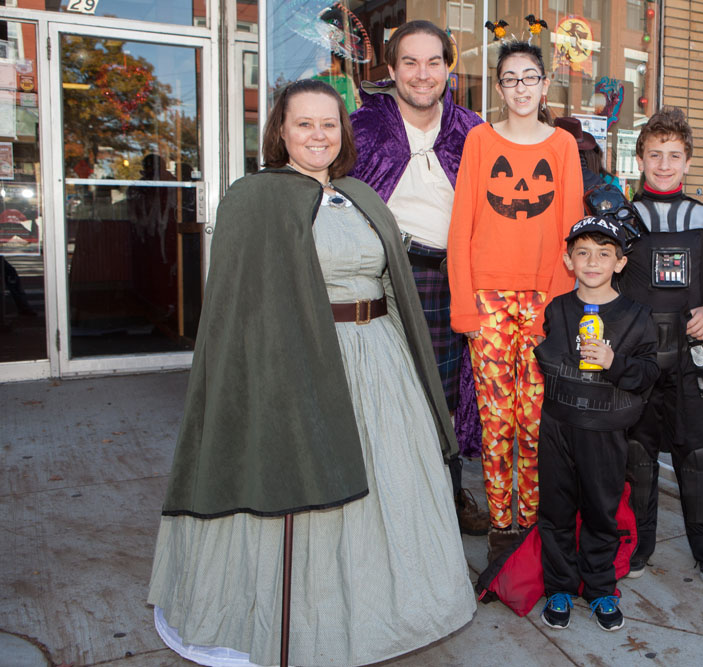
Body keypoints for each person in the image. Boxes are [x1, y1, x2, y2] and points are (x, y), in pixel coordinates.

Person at [147, 79, 475, 666]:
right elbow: (240, 306)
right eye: (304, 124)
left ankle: (388, 612)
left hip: (380, 359)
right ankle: (307, 626)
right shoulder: (253, 199)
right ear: (280, 131)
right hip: (299, 360)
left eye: (330, 124)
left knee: (393, 486)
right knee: (308, 489)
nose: (319, 135)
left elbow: (390, 284)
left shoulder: (362, 195)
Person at [349, 19, 489, 536]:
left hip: (452, 276)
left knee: (448, 395)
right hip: (384, 277)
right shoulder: (361, 129)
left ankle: (449, 496)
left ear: (448, 68)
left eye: (434, 62)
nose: (422, 74)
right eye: (409, 62)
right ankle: (387, 507)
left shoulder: (472, 131)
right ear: (391, 69)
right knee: (387, 394)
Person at [448, 40, 584, 561]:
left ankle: (532, 521)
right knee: (496, 417)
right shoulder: (480, 142)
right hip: (487, 299)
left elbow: (570, 230)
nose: (522, 87)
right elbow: (461, 229)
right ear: (499, 87)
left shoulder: (562, 147)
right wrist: (466, 304)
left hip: (543, 301)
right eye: (510, 78)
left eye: (531, 77)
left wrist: (558, 307)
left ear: (545, 85)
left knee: (535, 420)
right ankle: (501, 524)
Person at [616, 106, 703, 586]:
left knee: (700, 451)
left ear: (688, 162)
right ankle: (639, 540)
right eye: (654, 155)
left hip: (694, 356)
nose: (664, 165)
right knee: (637, 454)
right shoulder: (620, 222)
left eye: (674, 156)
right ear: (640, 160)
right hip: (638, 359)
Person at [534, 216, 658, 632]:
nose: (592, 262)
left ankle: (601, 587)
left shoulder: (638, 316)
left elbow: (647, 375)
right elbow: (549, 361)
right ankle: (560, 586)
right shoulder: (558, 309)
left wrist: (613, 362)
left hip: (604, 430)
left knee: (602, 510)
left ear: (620, 263)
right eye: (582, 253)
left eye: (604, 254)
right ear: (568, 260)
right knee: (556, 509)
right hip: (558, 426)